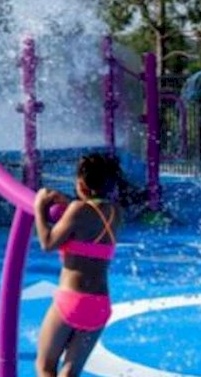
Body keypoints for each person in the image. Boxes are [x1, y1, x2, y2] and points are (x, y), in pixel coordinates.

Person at [32, 152, 122, 377]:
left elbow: (48, 243)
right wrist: (70, 203)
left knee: (45, 367)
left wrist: (39, 207)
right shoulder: (116, 213)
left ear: (81, 183)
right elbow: (89, 222)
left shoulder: (78, 211)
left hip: (72, 300)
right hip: (100, 304)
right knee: (70, 373)